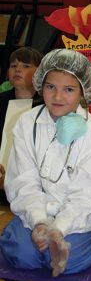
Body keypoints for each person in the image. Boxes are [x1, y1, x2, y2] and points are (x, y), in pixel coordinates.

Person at [0, 49, 91, 277]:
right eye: (50, 87)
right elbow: (23, 181)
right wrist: (40, 223)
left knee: (69, 263)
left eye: (69, 89)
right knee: (23, 256)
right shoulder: (27, 123)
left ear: (83, 92)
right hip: (39, 210)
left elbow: (88, 195)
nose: (57, 97)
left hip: (79, 213)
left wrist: (60, 228)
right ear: (40, 85)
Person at [0, 47, 43, 204]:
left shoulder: (48, 106)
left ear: (40, 73)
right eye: (13, 66)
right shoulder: (1, 100)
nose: (18, 69)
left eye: (26, 66)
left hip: (34, 186)